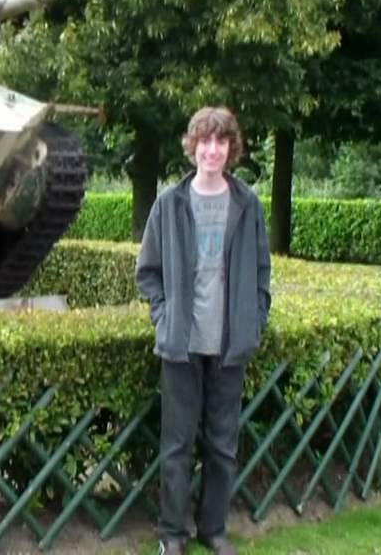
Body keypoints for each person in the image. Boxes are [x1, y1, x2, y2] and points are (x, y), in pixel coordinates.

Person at [135, 106, 272, 555]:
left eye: (221, 141)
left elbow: (261, 276)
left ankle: (213, 530)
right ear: (192, 145)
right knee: (176, 445)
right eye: (205, 141)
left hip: (230, 346)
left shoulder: (247, 204)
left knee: (222, 446)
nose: (212, 150)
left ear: (231, 148)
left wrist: (254, 321)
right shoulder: (169, 204)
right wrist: (164, 316)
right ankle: (171, 535)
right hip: (181, 346)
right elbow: (148, 273)